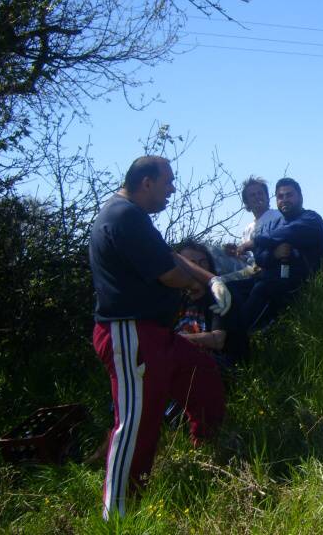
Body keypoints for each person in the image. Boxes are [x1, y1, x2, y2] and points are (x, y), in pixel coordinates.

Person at [89, 156, 231, 519]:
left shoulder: (134, 216)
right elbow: (170, 273)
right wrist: (195, 285)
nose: (172, 189)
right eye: (168, 182)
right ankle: (118, 516)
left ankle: (207, 451)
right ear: (147, 182)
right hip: (130, 332)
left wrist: (210, 279)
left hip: (156, 333)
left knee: (202, 375)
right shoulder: (124, 216)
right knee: (137, 424)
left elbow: (170, 256)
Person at [223, 178, 323, 345]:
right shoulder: (276, 224)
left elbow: (289, 232)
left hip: (297, 283)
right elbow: (260, 257)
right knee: (230, 288)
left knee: (261, 290)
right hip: (267, 277)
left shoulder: (311, 219)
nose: (284, 200)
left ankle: (234, 342)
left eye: (289, 195)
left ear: (300, 197)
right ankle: (226, 334)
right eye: (280, 196)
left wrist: (254, 242)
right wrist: (275, 254)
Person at [225, 177, 283, 264]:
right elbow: (248, 259)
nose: (257, 197)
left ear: (267, 197)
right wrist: (237, 252)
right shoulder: (247, 230)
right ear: (246, 202)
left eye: (260, 193)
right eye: (252, 195)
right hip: (256, 268)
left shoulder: (278, 216)